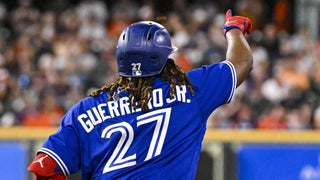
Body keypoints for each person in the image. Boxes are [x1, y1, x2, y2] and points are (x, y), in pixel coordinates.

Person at [28, 9, 252, 179]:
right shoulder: (190, 89)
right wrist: (233, 29)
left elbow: (44, 166)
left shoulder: (86, 109)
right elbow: (242, 62)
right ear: (163, 59)